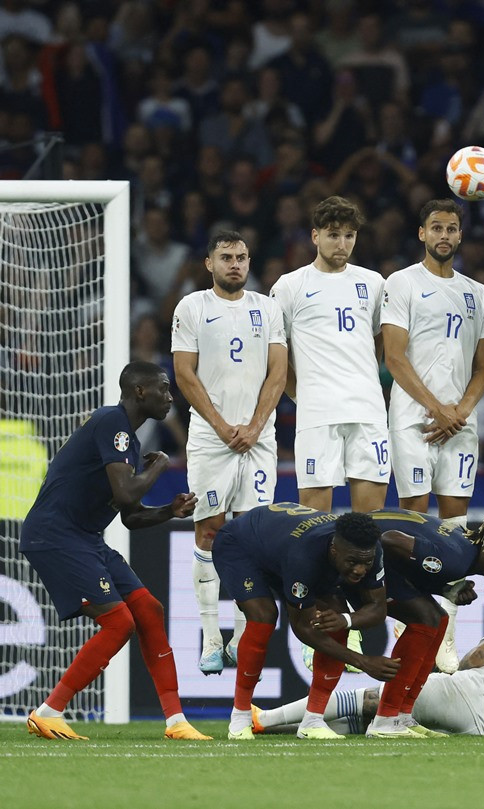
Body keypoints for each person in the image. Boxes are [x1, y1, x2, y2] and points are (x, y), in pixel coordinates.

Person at [22, 361, 209, 742]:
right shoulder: (112, 422)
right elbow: (125, 494)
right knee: (119, 622)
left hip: (85, 537)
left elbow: (131, 517)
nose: (169, 396)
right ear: (139, 391)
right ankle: (49, 711)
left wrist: (169, 511)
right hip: (56, 535)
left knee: (148, 610)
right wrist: (160, 466)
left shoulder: (128, 441)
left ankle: (176, 721)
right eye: (163, 388)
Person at [382, 198, 484, 672]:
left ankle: (444, 636)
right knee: (413, 521)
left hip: (459, 424)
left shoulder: (478, 294)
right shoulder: (402, 283)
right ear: (422, 233)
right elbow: (394, 357)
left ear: (460, 235)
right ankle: (408, 625)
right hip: (415, 420)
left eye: (451, 228)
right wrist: (437, 409)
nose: (444, 235)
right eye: (436, 228)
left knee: (455, 529)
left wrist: (461, 410)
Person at [172, 230, 287, 675]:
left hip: (259, 439)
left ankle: (239, 635)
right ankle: (209, 638)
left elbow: (278, 372)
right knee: (209, 531)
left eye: (241, 257)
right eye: (226, 257)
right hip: (210, 438)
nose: (235, 264)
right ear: (209, 263)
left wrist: (255, 426)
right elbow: (184, 373)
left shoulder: (267, 308)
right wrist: (222, 427)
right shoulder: (192, 307)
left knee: (252, 533)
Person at [254, 579, 484, 736]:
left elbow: (480, 656)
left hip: (461, 693)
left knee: (370, 699)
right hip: (476, 726)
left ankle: (265, 718)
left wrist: (445, 673)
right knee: (373, 721)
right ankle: (278, 729)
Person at [212, 504, 399, 740]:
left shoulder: (371, 550)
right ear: (334, 550)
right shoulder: (303, 557)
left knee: (335, 620)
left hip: (281, 547)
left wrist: (345, 620)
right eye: (352, 562)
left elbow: (378, 609)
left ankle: (312, 721)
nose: (360, 570)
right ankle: (240, 716)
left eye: (366, 563)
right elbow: (303, 628)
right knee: (264, 617)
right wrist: (363, 661)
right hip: (241, 546)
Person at [360, 506, 484, 737]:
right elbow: (390, 539)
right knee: (426, 621)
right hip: (355, 552)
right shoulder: (456, 559)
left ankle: (402, 715)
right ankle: (386, 719)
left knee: (438, 619)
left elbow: (416, 562)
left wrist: (445, 588)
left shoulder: (463, 548)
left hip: (365, 544)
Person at [270, 195, 389, 514]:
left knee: (370, 521)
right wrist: (300, 394)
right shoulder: (289, 286)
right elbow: (276, 354)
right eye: (333, 234)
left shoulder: (373, 283)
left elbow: (378, 340)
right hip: (318, 414)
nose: (342, 243)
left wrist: (367, 379)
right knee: (314, 520)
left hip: (368, 412)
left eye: (349, 235)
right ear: (315, 236)